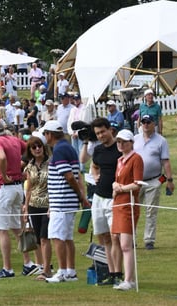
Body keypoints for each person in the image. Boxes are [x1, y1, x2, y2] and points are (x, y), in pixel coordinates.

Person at [43, 120, 90, 283]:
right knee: (67, 237)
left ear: (50, 134)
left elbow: (69, 176)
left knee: (57, 237)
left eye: (45, 133)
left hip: (62, 200)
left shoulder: (60, 149)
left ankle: (62, 271)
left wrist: (80, 196)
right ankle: (70, 271)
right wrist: (80, 197)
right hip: (66, 201)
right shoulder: (68, 147)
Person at [0, 120, 26, 279]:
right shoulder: (14, 139)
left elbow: (1, 157)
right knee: (17, 228)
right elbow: (29, 149)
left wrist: (3, 175)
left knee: (2, 230)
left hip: (4, 187)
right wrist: (21, 167)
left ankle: (7, 268)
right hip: (17, 187)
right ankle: (28, 262)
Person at [89, 117, 123, 286]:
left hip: (115, 198)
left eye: (103, 131)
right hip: (99, 197)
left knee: (115, 236)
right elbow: (94, 166)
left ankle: (118, 273)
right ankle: (111, 272)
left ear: (110, 130)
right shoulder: (98, 150)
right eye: (97, 133)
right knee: (104, 237)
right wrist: (95, 176)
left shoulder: (120, 148)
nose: (101, 135)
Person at [133, 114, 174, 250]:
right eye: (143, 122)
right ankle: (131, 239)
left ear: (153, 124)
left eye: (148, 122)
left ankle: (149, 239)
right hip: (136, 181)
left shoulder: (161, 141)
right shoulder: (135, 139)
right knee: (133, 210)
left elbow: (165, 161)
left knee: (151, 211)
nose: (145, 124)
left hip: (153, 180)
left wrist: (170, 180)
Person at [110, 129, 144, 292]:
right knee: (117, 239)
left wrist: (120, 188)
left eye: (124, 142)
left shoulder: (136, 158)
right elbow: (117, 181)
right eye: (118, 142)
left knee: (126, 244)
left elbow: (138, 184)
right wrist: (115, 186)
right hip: (118, 203)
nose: (121, 144)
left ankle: (129, 280)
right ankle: (126, 278)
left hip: (128, 203)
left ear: (131, 142)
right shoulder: (119, 160)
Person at [23, 133, 52, 281]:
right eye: (33, 147)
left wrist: (52, 205)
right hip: (34, 204)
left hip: (47, 204)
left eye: (39, 146)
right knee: (38, 239)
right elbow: (29, 188)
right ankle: (44, 265)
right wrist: (26, 208)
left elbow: (54, 185)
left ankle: (47, 270)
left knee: (45, 237)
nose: (37, 149)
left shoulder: (51, 163)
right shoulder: (29, 166)